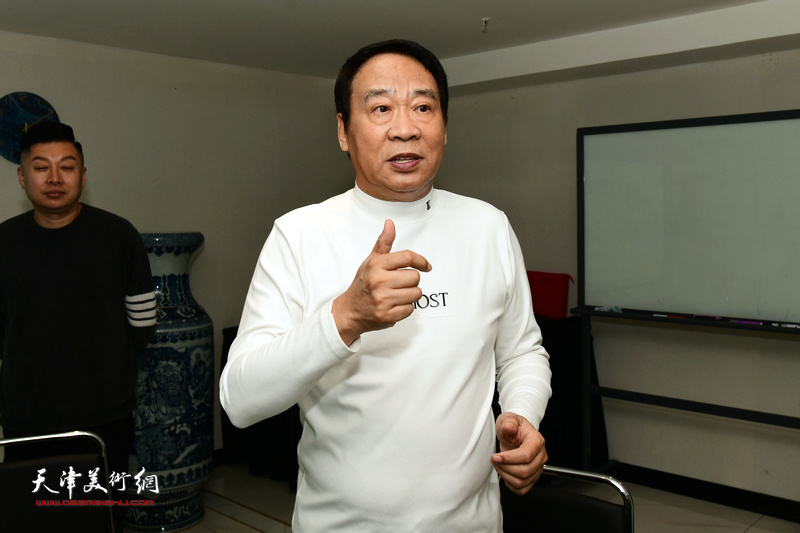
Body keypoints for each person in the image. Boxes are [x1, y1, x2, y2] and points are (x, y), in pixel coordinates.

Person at [220, 39, 551, 532]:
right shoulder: (300, 234)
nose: (405, 128)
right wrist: (345, 318)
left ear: (444, 126)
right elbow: (240, 400)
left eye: (423, 107)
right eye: (380, 108)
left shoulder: (488, 226)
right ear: (343, 131)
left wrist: (522, 416)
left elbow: (522, 351)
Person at [0, 121, 156, 529]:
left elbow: (143, 325)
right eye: (41, 167)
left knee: (101, 519)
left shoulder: (118, 236)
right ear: (22, 177)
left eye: (67, 167)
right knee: (32, 519)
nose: (54, 178)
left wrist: (105, 368)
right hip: (26, 419)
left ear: (82, 176)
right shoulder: (4, 243)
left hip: (105, 418)